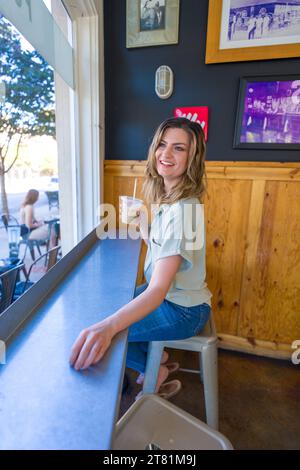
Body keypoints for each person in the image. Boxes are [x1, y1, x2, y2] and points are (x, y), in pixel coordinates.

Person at [69, 117, 212, 400]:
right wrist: (145, 224)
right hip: (181, 300)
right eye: (162, 144)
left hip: (182, 310)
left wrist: (109, 328)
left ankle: (153, 367)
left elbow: (158, 291)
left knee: (111, 329)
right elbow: (164, 250)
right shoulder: (174, 199)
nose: (166, 154)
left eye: (179, 148)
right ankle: (156, 359)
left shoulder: (182, 212)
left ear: (192, 159)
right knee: (107, 310)